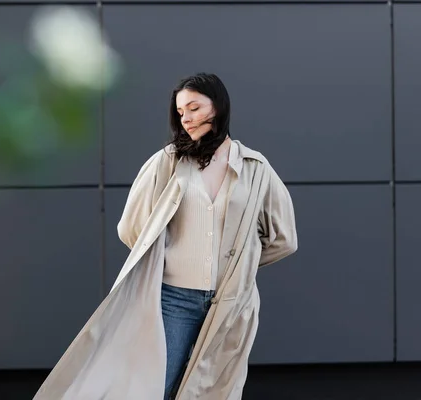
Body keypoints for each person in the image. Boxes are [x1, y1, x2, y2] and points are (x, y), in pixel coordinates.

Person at [34, 73, 298, 400]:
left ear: (218, 106)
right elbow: (132, 229)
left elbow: (283, 238)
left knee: (212, 392)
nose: (185, 118)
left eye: (194, 107)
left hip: (229, 302)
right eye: (180, 111)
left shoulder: (255, 167)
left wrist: (238, 263)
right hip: (173, 299)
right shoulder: (168, 162)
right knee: (156, 388)